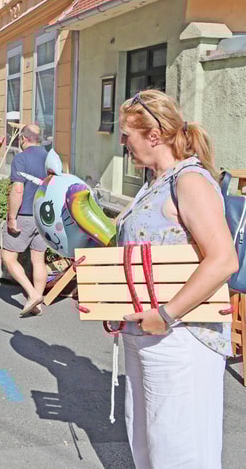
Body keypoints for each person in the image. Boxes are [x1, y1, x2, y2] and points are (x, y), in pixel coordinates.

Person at [116, 89, 237, 468]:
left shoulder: (189, 181)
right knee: (149, 445)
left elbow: (222, 260)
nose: (122, 142)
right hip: (147, 337)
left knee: (180, 452)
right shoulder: (155, 183)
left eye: (127, 135)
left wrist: (165, 315)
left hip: (181, 339)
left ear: (154, 136)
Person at [0, 124, 49, 316]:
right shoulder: (50, 158)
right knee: (39, 260)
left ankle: (32, 294)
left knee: (8, 257)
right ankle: (36, 303)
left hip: (25, 215)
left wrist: (12, 217)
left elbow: (18, 190)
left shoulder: (21, 158)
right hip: (44, 217)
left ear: (23, 139)